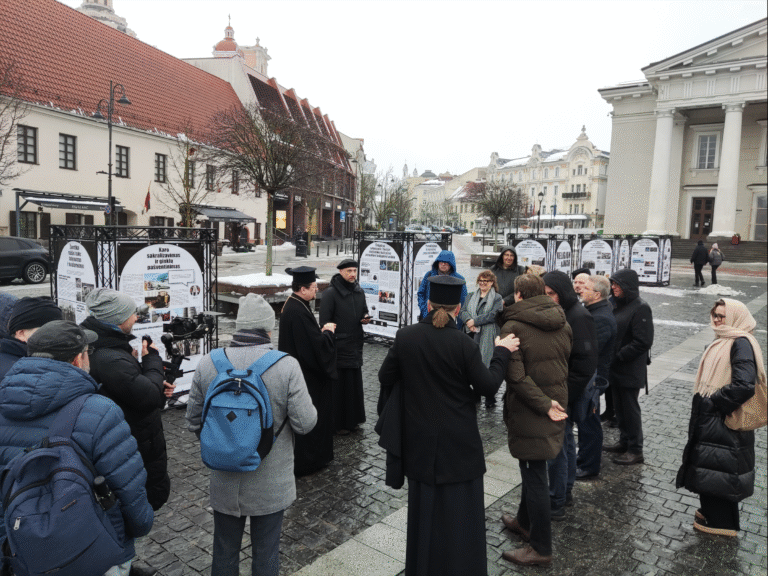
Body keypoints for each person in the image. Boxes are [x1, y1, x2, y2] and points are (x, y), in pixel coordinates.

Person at [377, 275, 520, 576]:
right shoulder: (462, 344)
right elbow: (488, 386)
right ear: (458, 309)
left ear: (428, 304)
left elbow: (385, 377)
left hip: (419, 443)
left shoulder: (406, 337)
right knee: (459, 519)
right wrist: (502, 352)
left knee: (423, 516)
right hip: (459, 445)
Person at [0, 320, 154, 576]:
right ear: (77, 360)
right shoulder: (99, 410)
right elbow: (129, 489)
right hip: (94, 548)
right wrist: (139, 528)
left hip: (23, 551)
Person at [186, 294, 317, 576]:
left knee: (223, 549)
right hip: (270, 479)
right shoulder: (286, 365)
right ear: (269, 329)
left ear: (238, 325)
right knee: (266, 552)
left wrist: (226, 443)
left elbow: (193, 422)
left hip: (224, 479)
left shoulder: (209, 362)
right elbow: (305, 423)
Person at [498, 274, 571, 567]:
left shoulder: (512, 326)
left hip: (535, 409)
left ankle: (541, 547)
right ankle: (523, 521)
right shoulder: (563, 322)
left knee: (535, 475)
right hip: (555, 402)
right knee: (534, 467)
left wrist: (544, 405)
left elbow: (515, 377)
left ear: (518, 295)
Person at [676, 298, 764, 537]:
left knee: (720, 468)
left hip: (722, 419)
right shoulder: (726, 340)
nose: (716, 319)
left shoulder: (740, 342)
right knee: (713, 466)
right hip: (715, 419)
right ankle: (712, 513)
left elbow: (744, 385)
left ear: (735, 317)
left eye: (722, 316)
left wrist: (714, 402)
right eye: (714, 314)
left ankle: (722, 523)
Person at [82, 288, 173, 511]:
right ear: (118, 319)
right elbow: (148, 397)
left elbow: (131, 390)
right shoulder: (111, 358)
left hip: (128, 435)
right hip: (134, 444)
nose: (135, 317)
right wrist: (151, 360)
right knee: (134, 512)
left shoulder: (103, 346)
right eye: (131, 313)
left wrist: (143, 376)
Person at [542, 271, 597, 519]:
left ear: (562, 292)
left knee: (558, 447)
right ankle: (565, 491)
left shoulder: (579, 316)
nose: (548, 299)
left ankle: (557, 499)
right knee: (564, 443)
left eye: (551, 294)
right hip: (563, 391)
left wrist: (564, 397)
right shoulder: (567, 312)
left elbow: (585, 364)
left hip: (565, 394)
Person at [278, 266, 337, 476]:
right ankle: (312, 460)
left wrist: (318, 334)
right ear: (302, 289)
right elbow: (314, 349)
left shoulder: (294, 304)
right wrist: (328, 334)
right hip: (307, 376)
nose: (316, 290)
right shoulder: (298, 310)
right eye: (313, 287)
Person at [603, 269, 654, 465]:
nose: (613, 287)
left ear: (627, 287)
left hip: (629, 369)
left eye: (617, 284)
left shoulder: (640, 307)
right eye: (612, 283)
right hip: (616, 368)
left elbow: (643, 341)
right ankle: (624, 441)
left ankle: (635, 449)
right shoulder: (618, 304)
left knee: (630, 410)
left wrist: (618, 356)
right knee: (619, 409)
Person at [319, 259, 370, 435]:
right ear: (340, 272)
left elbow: (363, 310)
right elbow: (324, 322)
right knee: (340, 387)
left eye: (354, 271)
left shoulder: (359, 291)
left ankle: (353, 420)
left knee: (353, 386)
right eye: (349, 271)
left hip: (355, 345)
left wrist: (365, 317)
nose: (352, 274)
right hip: (339, 347)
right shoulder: (330, 294)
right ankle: (338, 423)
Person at [576, 275, 617, 479]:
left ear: (597, 294)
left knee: (588, 422)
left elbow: (592, 352)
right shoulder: (596, 311)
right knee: (586, 420)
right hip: (590, 377)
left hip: (592, 379)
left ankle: (589, 466)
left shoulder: (600, 317)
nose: (581, 290)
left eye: (587, 288)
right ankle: (584, 460)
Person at [459, 270, 503, 406]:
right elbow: (462, 311)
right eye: (481, 280)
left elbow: (493, 315)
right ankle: (476, 393)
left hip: (488, 336)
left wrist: (475, 321)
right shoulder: (471, 295)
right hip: (471, 335)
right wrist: (468, 322)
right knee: (473, 365)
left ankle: (490, 396)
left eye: (486, 281)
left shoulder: (497, 298)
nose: (483, 283)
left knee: (487, 365)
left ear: (492, 283)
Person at [0, 296, 63, 380]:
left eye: (59, 329)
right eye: (47, 330)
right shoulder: (22, 373)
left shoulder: (19, 357)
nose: (56, 336)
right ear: (21, 333)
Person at [417, 250, 467, 327]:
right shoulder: (429, 275)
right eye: (441, 261)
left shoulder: (459, 279)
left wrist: (457, 322)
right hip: (429, 315)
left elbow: (463, 300)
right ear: (437, 262)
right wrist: (425, 312)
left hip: (449, 318)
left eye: (446, 262)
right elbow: (421, 293)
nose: (443, 264)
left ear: (451, 264)